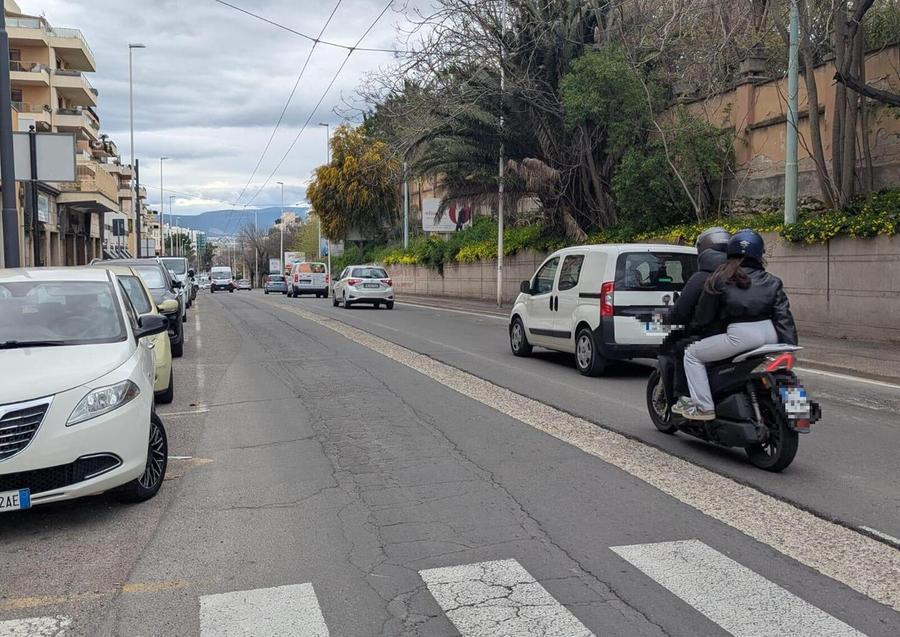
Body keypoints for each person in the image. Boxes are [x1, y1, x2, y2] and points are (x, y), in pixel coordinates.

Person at [678, 229, 798, 421]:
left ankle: (704, 407)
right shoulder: (773, 281)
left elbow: (704, 317)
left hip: (740, 336)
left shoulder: (720, 278)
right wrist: (789, 346)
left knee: (692, 355)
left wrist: (694, 330)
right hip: (771, 335)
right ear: (760, 254)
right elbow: (784, 316)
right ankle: (798, 411)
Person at [664, 227, 731, 414]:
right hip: (771, 337)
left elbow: (682, 311)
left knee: (686, 351)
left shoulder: (703, 278)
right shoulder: (752, 277)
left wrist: (671, 318)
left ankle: (694, 402)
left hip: (728, 337)